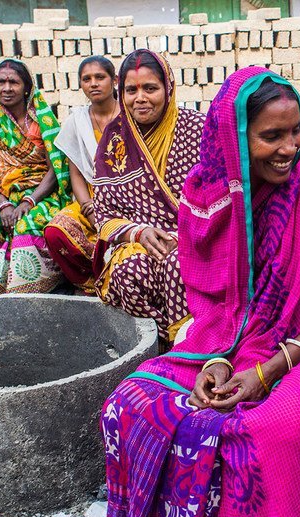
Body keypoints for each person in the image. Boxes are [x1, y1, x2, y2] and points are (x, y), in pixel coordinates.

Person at [100, 67, 300, 517]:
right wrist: (215, 362)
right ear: (234, 138)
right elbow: (210, 300)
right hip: (222, 340)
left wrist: (269, 369)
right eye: (271, 136)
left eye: (296, 131)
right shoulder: (208, 195)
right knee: (128, 403)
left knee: (273, 429)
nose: (290, 147)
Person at [90, 50, 205, 348]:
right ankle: (159, 347)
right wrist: (136, 232)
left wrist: (185, 235)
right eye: (131, 90)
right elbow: (103, 212)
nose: (140, 98)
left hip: (196, 238)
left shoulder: (198, 129)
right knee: (128, 273)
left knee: (178, 263)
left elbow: (221, 198)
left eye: (150, 88)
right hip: (139, 241)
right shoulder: (114, 139)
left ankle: (192, 346)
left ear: (168, 89)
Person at [0, 59, 71, 295]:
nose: (6, 88)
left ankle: (28, 292)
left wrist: (29, 201)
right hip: (5, 196)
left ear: (27, 87)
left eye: (14, 82)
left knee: (26, 225)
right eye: (1, 82)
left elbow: (55, 169)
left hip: (42, 194)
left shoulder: (43, 121)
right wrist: (4, 204)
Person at [43, 56, 120, 292]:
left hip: (127, 199)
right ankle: (89, 283)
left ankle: (114, 283)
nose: (93, 84)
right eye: (87, 79)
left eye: (100, 77)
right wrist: (88, 205)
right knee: (56, 232)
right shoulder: (77, 121)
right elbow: (75, 171)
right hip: (90, 198)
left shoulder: (130, 117)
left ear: (114, 80)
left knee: (113, 238)